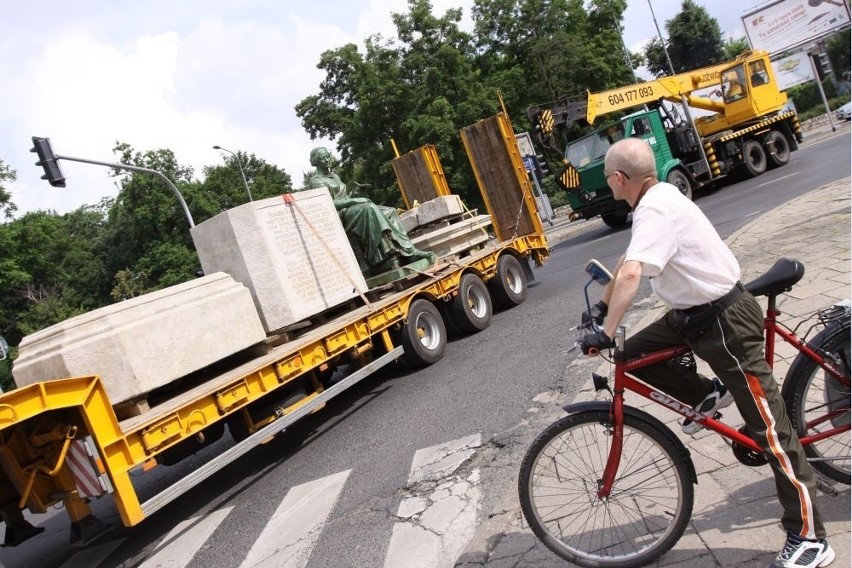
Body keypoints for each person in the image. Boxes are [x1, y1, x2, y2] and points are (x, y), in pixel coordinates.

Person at [579, 138, 833, 568]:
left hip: (725, 324)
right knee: (631, 355)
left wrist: (605, 330)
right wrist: (602, 310)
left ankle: (810, 537)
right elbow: (626, 262)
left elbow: (634, 273)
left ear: (619, 179)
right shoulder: (653, 201)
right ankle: (705, 393)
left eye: (608, 178)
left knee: (773, 434)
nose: (609, 184)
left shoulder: (656, 207)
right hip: (691, 316)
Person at [304, 147, 434, 277]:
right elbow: (328, 203)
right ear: (316, 162)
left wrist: (354, 194)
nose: (328, 159)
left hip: (350, 209)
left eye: (328, 155)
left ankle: (408, 250)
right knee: (369, 208)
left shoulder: (335, 176)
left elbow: (344, 198)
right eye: (323, 157)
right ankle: (379, 259)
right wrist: (354, 201)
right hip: (339, 215)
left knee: (390, 211)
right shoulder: (317, 181)